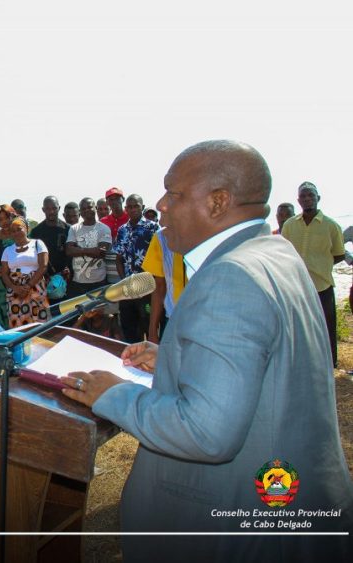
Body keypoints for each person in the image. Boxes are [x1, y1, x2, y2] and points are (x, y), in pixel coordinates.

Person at [60, 140, 352, 562]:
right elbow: (270, 362)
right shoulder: (273, 252)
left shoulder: (231, 277)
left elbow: (206, 432)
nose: (161, 204)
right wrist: (178, 358)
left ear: (218, 202)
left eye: (173, 193)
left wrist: (112, 395)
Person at [281, 182, 345, 367]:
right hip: (297, 286)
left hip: (321, 284)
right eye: (304, 196)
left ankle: (329, 365)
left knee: (326, 327)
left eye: (311, 195)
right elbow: (283, 253)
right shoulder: (290, 226)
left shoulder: (331, 226)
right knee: (298, 328)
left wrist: (320, 265)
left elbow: (339, 254)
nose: (308, 199)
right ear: (298, 200)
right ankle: (300, 365)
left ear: (318, 198)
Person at [112, 194, 159, 342]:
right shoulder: (122, 230)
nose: (132, 209)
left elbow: (160, 258)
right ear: (126, 209)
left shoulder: (152, 228)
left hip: (147, 287)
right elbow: (118, 258)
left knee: (148, 325)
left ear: (142, 207)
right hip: (127, 289)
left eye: (136, 206)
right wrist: (124, 280)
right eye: (129, 207)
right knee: (129, 328)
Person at [1, 217, 50, 327]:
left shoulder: (38, 244)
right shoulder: (7, 250)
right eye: (13, 231)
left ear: (26, 229)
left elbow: (43, 266)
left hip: (36, 287)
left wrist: (28, 286)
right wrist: (15, 288)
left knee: (39, 321)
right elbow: (4, 273)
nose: (16, 233)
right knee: (17, 323)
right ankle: (21, 344)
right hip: (15, 291)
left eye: (19, 229)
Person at [142, 228, 186, 343]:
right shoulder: (161, 237)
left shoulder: (215, 231)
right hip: (173, 319)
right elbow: (160, 286)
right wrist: (152, 331)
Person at [65, 197, 112, 299]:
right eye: (83, 208)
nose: (86, 210)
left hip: (99, 281)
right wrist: (91, 250)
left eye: (89, 207)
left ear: (95, 208)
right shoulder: (74, 228)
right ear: (80, 212)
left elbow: (101, 253)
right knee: (80, 314)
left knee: (99, 313)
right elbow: (69, 251)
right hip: (78, 282)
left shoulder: (104, 228)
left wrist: (78, 249)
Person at [30, 196, 69, 297]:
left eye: (54, 208)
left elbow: (71, 253)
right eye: (48, 208)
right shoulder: (36, 232)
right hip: (43, 279)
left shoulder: (68, 229)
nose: (51, 211)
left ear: (59, 208)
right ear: (43, 210)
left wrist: (69, 270)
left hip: (65, 279)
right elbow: (34, 256)